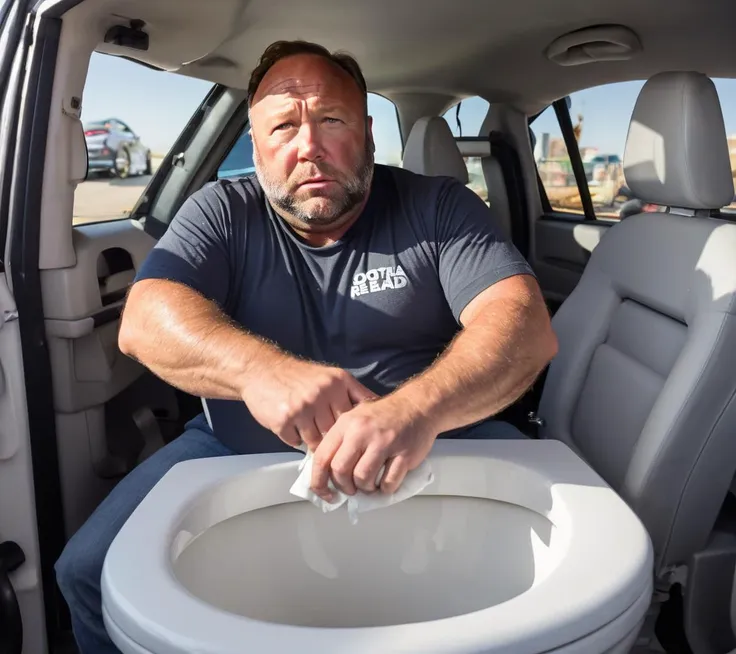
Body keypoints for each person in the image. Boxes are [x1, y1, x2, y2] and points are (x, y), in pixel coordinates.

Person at [55, 39, 557, 652]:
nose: (308, 146)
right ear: (256, 140)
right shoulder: (221, 211)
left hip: (438, 438)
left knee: (549, 579)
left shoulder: (439, 207)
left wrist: (413, 410)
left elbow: (523, 325)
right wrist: (261, 372)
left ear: (368, 132)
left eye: (331, 120)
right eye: (284, 125)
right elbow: (145, 319)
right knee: (86, 573)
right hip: (232, 445)